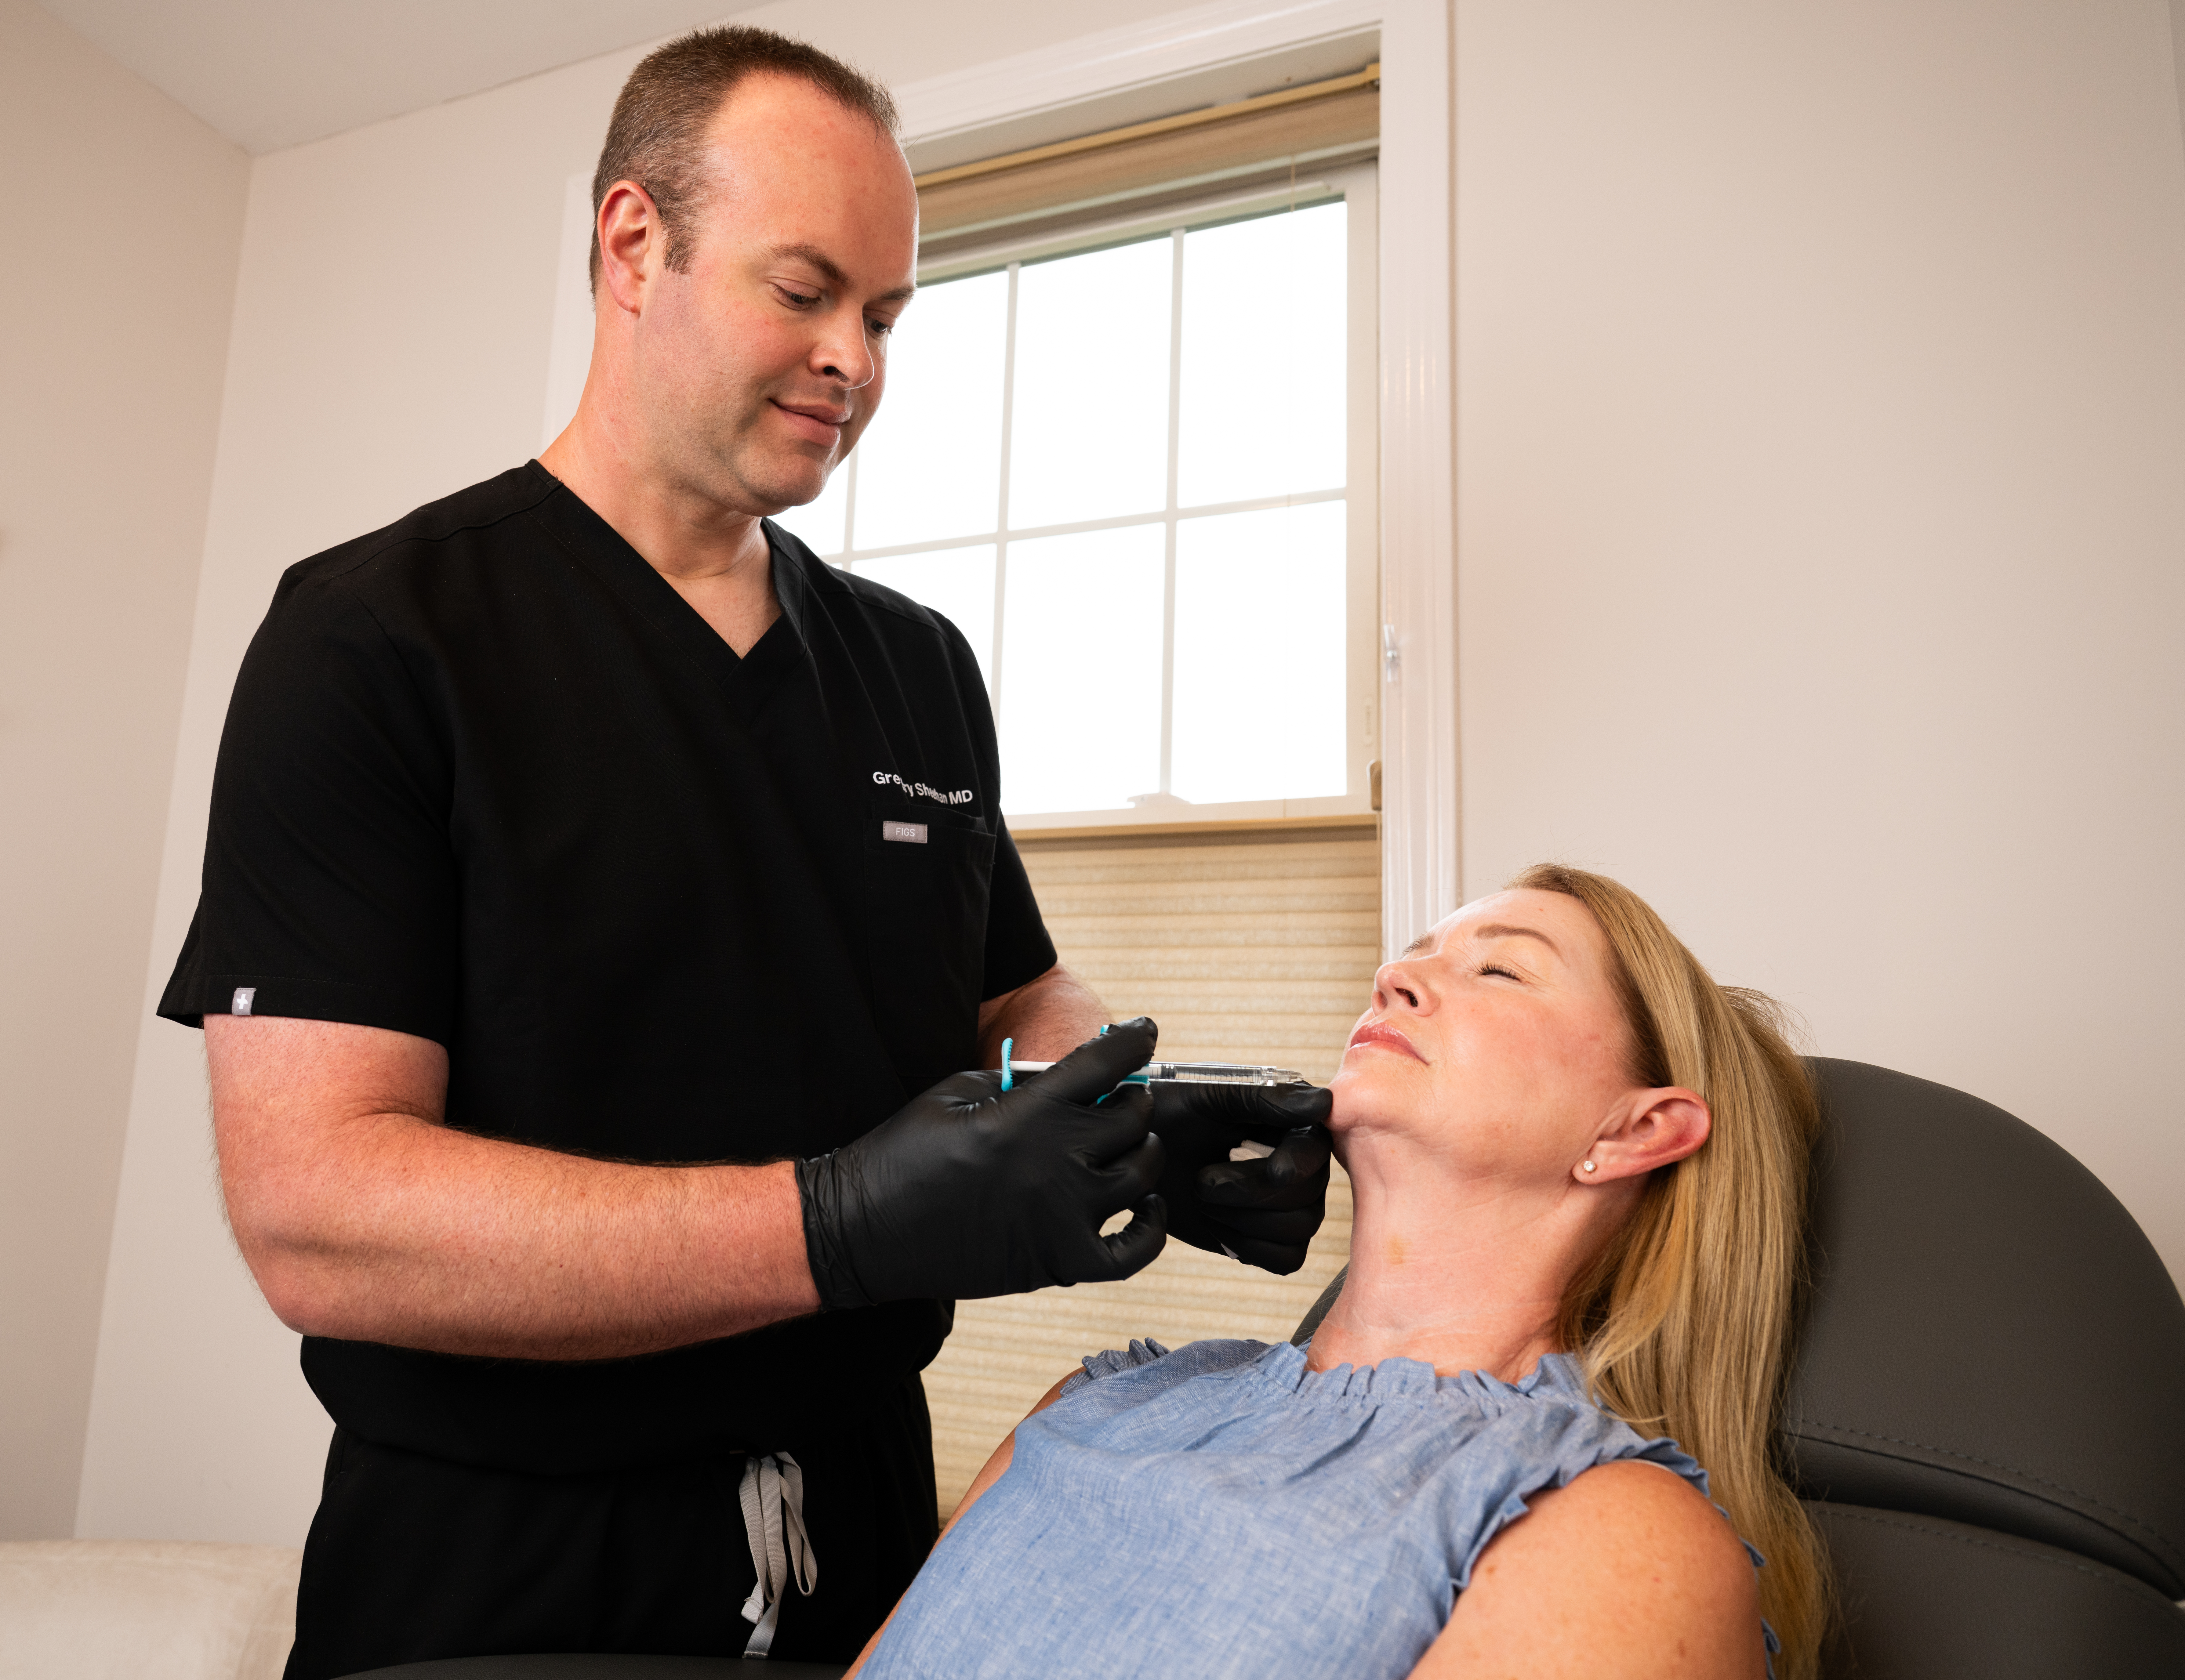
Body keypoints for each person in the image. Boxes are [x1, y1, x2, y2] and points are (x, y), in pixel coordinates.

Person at [155, 26, 1332, 1679]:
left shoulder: (917, 668)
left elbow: (1017, 994)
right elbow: (316, 1212)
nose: (854, 358)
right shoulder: (378, 638)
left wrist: (1143, 1115)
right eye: (806, 290)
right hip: (511, 1551)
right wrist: (836, 1224)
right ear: (637, 244)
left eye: (889, 314)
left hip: (871, 1525)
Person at [849, 865, 1834, 1680]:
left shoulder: (1608, 1532)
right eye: (1410, 957)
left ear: (1636, 1130)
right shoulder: (1106, 1398)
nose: (1391, 979)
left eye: (1501, 971)